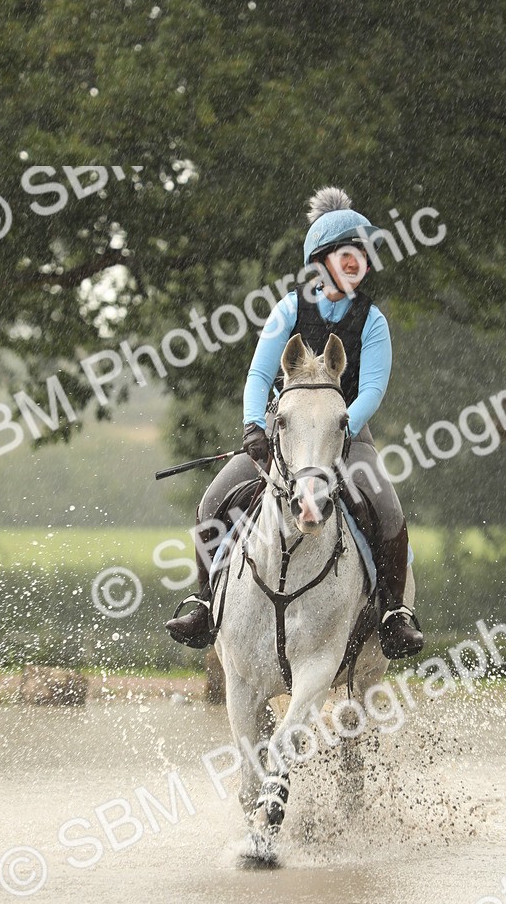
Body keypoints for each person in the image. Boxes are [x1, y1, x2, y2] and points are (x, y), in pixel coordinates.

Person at [166, 186, 424, 659]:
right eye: (349, 254)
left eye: (363, 256)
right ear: (322, 259)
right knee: (212, 503)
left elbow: (372, 389)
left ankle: (393, 614)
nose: (357, 263)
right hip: (282, 429)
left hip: (348, 429)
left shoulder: (372, 321)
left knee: (388, 510)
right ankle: (202, 602)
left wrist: (344, 425)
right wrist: (252, 429)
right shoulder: (288, 309)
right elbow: (260, 374)